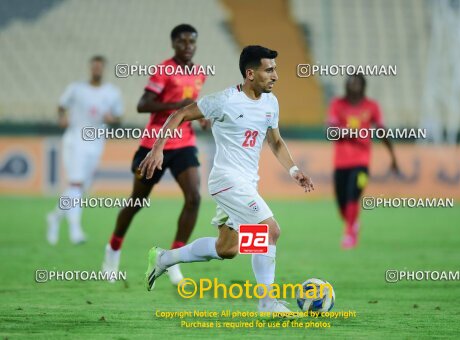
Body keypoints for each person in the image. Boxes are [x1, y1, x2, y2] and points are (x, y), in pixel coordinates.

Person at [139, 45, 314, 312]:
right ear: (250, 73)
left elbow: (275, 141)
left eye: (275, 70)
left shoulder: (270, 102)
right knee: (270, 231)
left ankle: (164, 258)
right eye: (269, 70)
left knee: (227, 248)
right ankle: (267, 304)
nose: (275, 76)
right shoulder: (224, 100)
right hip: (226, 180)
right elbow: (180, 114)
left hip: (246, 183)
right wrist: (157, 148)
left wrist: (294, 170)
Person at [101, 24, 208, 285]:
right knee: (136, 202)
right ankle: (112, 251)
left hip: (184, 144)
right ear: (173, 44)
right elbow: (142, 104)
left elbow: (192, 106)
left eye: (191, 42)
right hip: (154, 145)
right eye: (182, 42)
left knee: (194, 198)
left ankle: (173, 260)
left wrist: (200, 118)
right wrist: (176, 107)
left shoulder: (200, 73)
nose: (187, 46)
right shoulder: (164, 70)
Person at [46, 55, 123, 245]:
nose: (96, 70)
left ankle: (55, 217)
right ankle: (75, 231)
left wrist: (112, 119)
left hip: (96, 143)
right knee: (76, 185)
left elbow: (119, 117)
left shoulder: (112, 92)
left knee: (81, 188)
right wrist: (62, 117)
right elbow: (61, 106)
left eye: (100, 67)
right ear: (90, 68)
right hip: (76, 140)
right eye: (94, 67)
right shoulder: (77, 88)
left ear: (103, 69)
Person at [328, 74, 398, 249]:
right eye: (351, 83)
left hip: (362, 162)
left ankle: (350, 233)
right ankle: (353, 224)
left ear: (363, 86)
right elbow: (330, 130)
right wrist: (351, 132)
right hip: (340, 163)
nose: (354, 86)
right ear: (346, 86)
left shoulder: (371, 106)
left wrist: (393, 157)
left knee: (353, 194)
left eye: (358, 83)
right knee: (341, 202)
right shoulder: (337, 104)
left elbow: (382, 131)